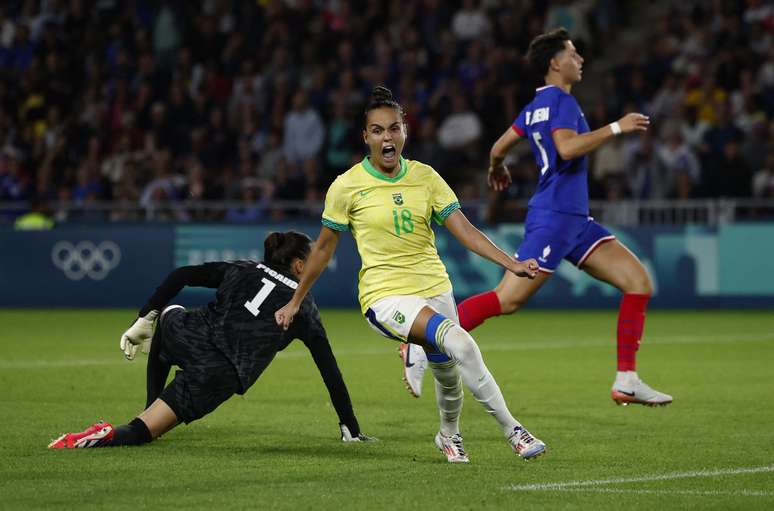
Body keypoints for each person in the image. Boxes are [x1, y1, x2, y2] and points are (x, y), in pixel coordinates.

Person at [274, 86, 546, 463]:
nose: (387, 137)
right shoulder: (347, 186)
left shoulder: (426, 177)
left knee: (449, 372)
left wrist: (510, 263)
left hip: (434, 286)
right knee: (462, 343)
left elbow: (464, 230)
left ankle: (448, 435)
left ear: (405, 131)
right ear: (365, 137)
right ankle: (513, 430)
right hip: (385, 296)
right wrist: (295, 300)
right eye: (378, 130)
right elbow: (322, 249)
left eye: (394, 128)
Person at [403, 28, 673, 407]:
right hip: (555, 218)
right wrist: (616, 127)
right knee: (506, 300)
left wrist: (497, 166)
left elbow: (499, 146)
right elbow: (565, 148)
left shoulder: (535, 108)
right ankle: (421, 344)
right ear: (555, 63)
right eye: (573, 54)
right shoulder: (562, 103)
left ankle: (627, 379)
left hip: (575, 221)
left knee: (638, 282)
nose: (580, 60)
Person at [49, 231, 373, 448]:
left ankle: (150, 403)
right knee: (140, 431)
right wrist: (350, 426)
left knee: (170, 313)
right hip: (219, 372)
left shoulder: (244, 268)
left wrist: (144, 316)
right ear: (300, 265)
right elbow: (328, 368)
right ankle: (111, 433)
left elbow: (181, 275)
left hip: (190, 334)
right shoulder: (301, 305)